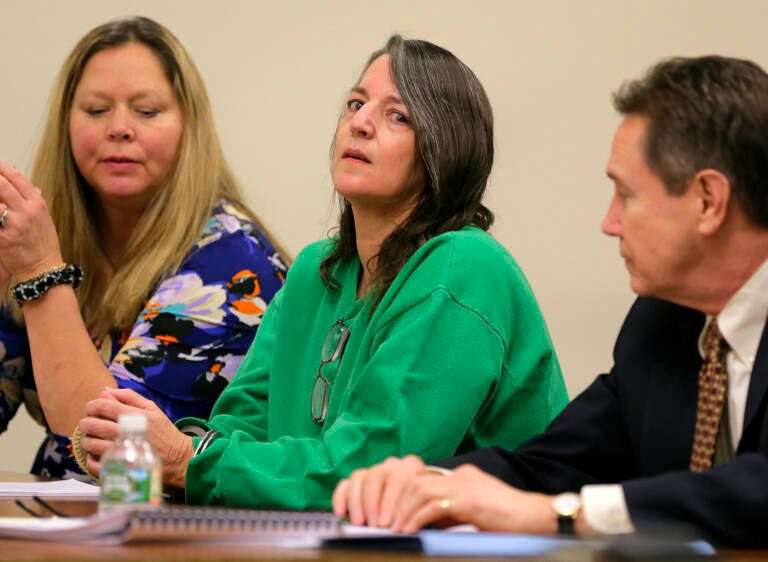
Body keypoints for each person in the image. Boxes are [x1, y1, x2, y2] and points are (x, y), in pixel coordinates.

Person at [77, 35, 568, 509]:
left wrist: (190, 460)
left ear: (444, 152)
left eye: (397, 116)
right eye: (356, 104)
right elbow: (240, 421)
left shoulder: (463, 267)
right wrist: (158, 449)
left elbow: (368, 470)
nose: (360, 124)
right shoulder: (317, 268)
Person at [332, 55, 768, 548]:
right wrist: (427, 484)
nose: (610, 222)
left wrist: (560, 515)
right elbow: (558, 461)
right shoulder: (665, 320)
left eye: (627, 195)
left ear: (708, 201)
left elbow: (756, 488)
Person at [0, 16, 287, 480]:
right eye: (96, 110)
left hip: (173, 532)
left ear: (188, 126)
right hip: (58, 526)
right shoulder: (49, 238)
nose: (119, 128)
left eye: (147, 111)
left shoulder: (235, 262)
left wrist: (37, 271)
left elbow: (110, 447)